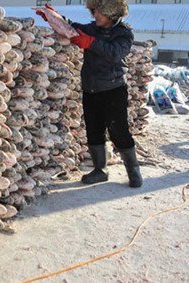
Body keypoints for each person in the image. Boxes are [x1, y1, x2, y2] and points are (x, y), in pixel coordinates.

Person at [36, 0, 143, 188]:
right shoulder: (93, 28)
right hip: (91, 88)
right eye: (94, 12)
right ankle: (100, 170)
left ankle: (133, 171)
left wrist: (91, 43)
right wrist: (56, 18)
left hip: (113, 89)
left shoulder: (124, 33)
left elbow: (115, 53)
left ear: (111, 14)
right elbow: (74, 28)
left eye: (98, 13)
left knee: (119, 131)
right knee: (93, 130)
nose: (95, 16)